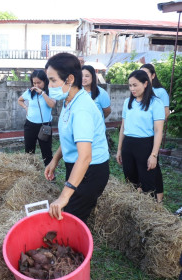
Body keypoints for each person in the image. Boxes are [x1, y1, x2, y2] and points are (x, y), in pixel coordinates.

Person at [44, 53, 110, 223]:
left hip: (90, 170)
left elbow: (85, 156)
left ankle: (81, 248)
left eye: (53, 80)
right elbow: (70, 138)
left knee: (73, 219)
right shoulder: (69, 101)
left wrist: (64, 195)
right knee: (71, 214)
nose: (49, 86)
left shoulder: (82, 109)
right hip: (76, 166)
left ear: (70, 79)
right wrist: (55, 160)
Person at [116, 70, 165, 199]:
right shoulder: (128, 102)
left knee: (148, 183)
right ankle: (134, 208)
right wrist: (119, 149)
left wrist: (154, 155)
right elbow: (123, 127)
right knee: (131, 181)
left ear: (145, 84)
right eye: (130, 85)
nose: (132, 88)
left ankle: (152, 212)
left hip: (145, 145)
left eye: (135, 85)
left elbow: (158, 131)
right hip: (128, 144)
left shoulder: (156, 103)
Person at [139, 63, 169, 203]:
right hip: (142, 135)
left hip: (152, 135)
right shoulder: (139, 91)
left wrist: (154, 125)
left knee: (154, 168)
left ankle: (159, 198)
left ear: (153, 75)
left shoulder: (160, 92)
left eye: (146, 73)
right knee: (143, 166)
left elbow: (165, 113)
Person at [17, 70, 56, 166]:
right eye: (34, 83)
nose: (36, 85)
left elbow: (51, 104)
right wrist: (26, 108)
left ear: (45, 81)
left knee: (46, 151)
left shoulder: (50, 92)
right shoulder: (29, 92)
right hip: (30, 125)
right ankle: (30, 173)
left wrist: (42, 93)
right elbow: (20, 100)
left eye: (39, 82)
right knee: (29, 151)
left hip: (45, 126)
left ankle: (50, 174)